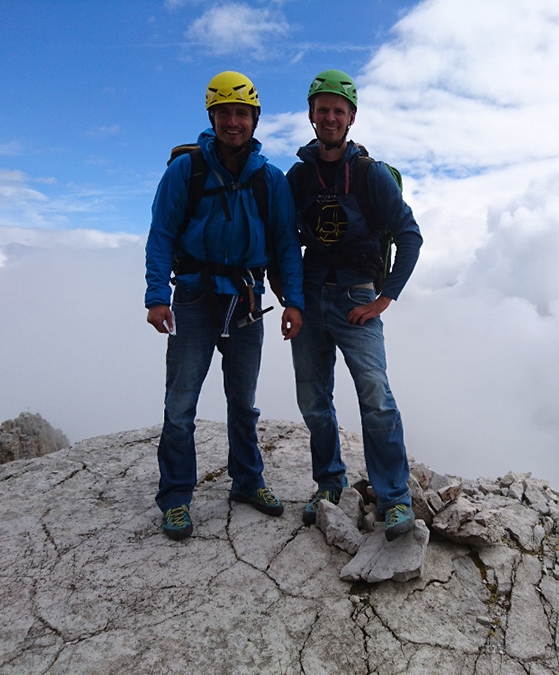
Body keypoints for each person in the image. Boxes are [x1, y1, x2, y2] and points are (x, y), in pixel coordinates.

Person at [145, 71, 304, 541]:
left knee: (244, 402)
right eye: (225, 113)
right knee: (180, 403)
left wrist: (292, 299)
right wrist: (157, 296)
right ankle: (176, 497)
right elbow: (161, 235)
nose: (234, 122)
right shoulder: (185, 171)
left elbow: (284, 246)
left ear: (255, 119)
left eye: (242, 113)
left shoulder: (270, 180)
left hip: (247, 299)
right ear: (212, 116)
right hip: (193, 297)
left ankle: (247, 481)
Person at [287, 69, 423, 541]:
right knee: (313, 400)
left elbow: (409, 236)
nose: (328, 117)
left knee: (376, 397)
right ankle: (329, 484)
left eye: (337, 110)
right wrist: (290, 299)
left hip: (356, 298)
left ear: (351, 118)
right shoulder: (298, 176)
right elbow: (284, 243)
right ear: (310, 115)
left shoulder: (370, 175)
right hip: (307, 296)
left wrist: (385, 299)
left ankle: (394, 498)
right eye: (321, 109)